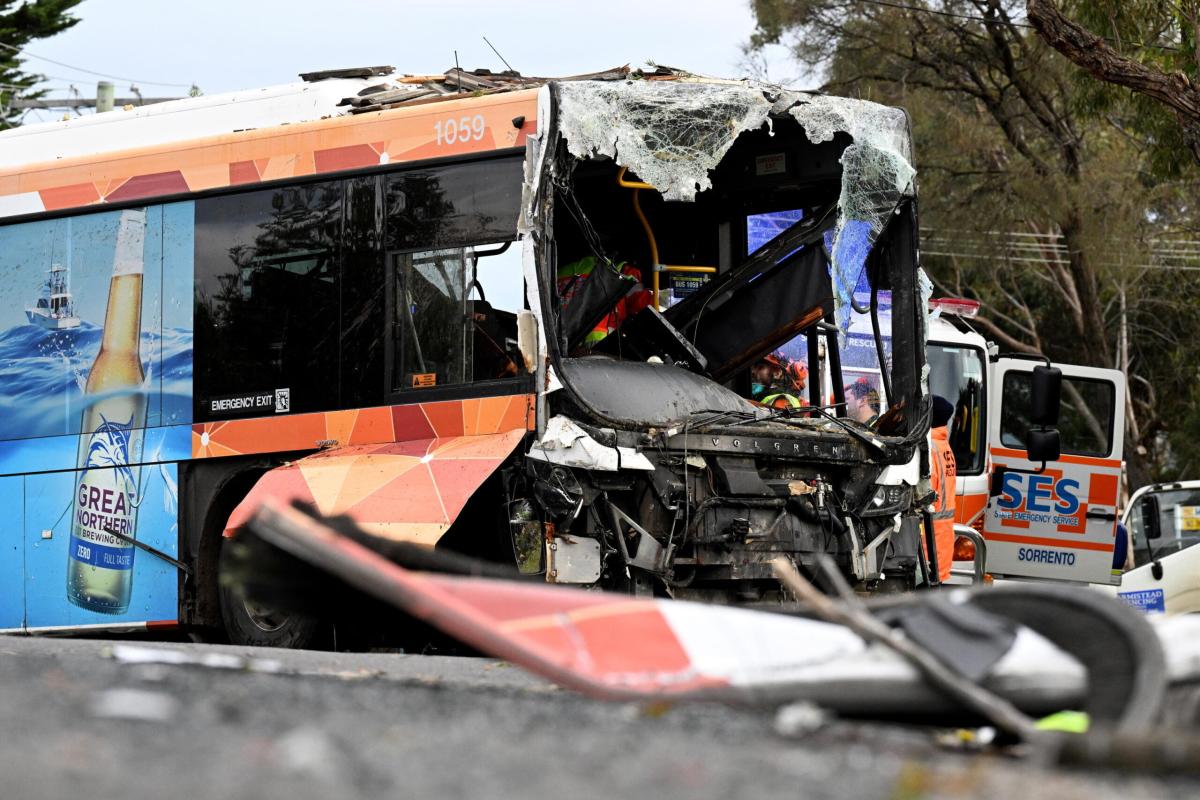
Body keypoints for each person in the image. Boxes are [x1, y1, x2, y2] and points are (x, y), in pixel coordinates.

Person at [929, 395, 957, 583]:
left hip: (929, 544)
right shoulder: (944, 446)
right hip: (942, 541)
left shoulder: (929, 449)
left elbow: (923, 497)